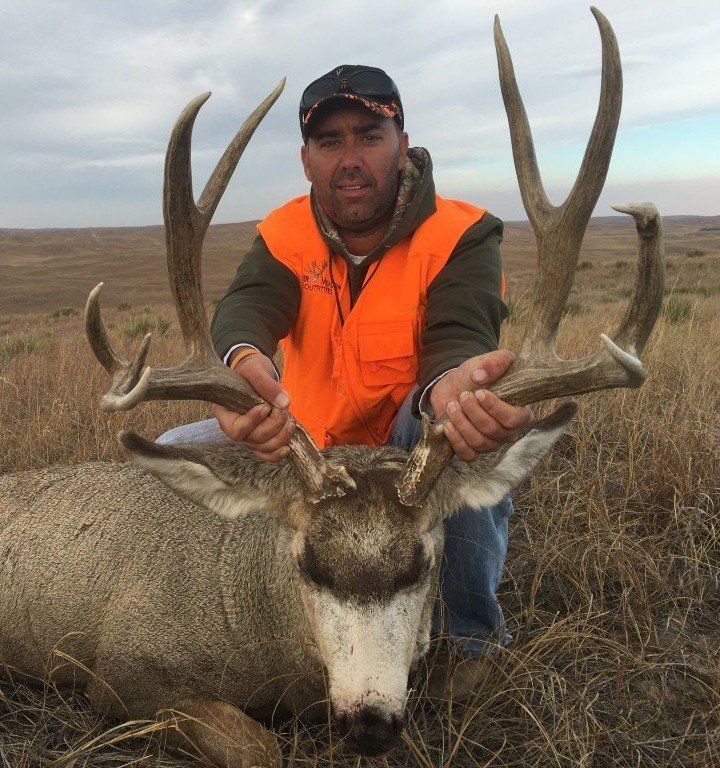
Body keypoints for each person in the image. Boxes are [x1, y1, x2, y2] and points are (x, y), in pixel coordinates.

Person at [157, 64, 533, 698]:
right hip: (304, 443)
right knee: (172, 450)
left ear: (402, 143)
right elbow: (247, 305)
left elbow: (460, 332)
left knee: (468, 430)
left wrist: (453, 389)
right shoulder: (284, 232)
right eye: (330, 142)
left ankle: (470, 639)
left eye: (369, 135)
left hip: (404, 447)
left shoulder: (461, 234)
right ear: (307, 160)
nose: (350, 158)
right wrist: (242, 369)